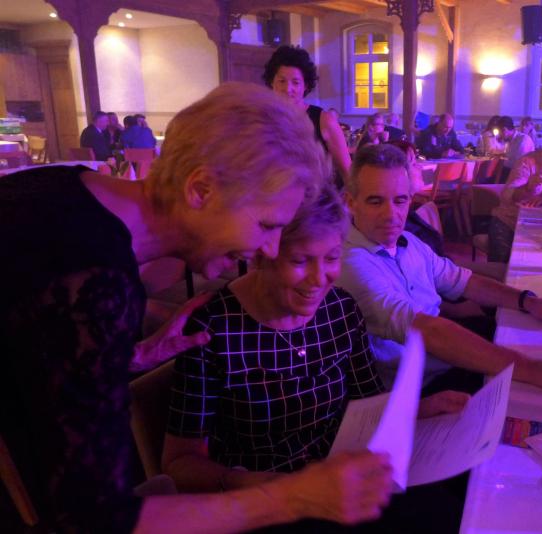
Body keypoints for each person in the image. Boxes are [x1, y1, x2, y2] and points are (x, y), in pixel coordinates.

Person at [0, 82, 393, 533]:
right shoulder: (94, 278)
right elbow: (94, 520)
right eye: (267, 225)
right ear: (200, 189)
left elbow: (26, 341)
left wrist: (118, 356)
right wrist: (292, 497)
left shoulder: (63, 189)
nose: (267, 249)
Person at [162, 186, 466, 531]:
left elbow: (368, 403)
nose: (319, 279)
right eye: (300, 261)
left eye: (332, 258)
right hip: (267, 505)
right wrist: (250, 482)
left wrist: (421, 408)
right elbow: (179, 463)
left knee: (454, 508)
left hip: (342, 482)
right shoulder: (214, 327)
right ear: (261, 255)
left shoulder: (341, 309)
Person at [338, 144, 542, 392]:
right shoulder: (351, 263)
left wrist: (528, 301)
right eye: (375, 201)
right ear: (351, 203)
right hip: (421, 388)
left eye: (400, 200)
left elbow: (465, 281)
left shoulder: (409, 242)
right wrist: (534, 371)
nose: (391, 214)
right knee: (540, 389)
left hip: (444, 358)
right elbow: (427, 330)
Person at [487, 125, 542, 263]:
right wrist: (528, 189)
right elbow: (507, 196)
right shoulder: (527, 161)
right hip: (510, 222)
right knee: (503, 267)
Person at [264, 45, 351, 185]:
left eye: (295, 82)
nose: (288, 89)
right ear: (272, 83)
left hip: (316, 196)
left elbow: (348, 172)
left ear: (305, 86)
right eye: (282, 81)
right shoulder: (263, 119)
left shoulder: (324, 120)